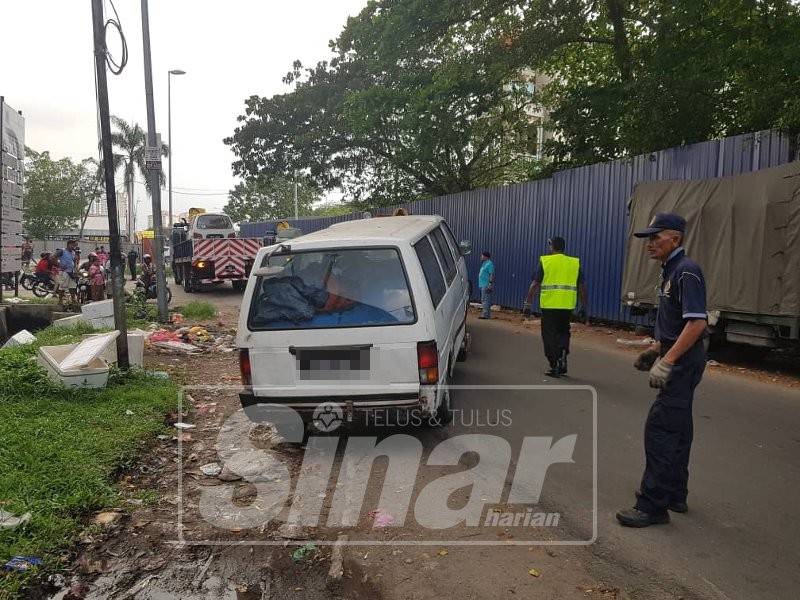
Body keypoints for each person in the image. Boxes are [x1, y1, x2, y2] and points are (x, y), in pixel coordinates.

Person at [616, 213, 708, 528]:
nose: (650, 244)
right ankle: (674, 494)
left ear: (676, 239)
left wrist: (669, 361)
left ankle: (653, 505)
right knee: (679, 427)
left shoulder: (686, 271)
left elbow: (697, 323)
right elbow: (676, 321)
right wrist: (657, 349)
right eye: (648, 239)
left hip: (683, 361)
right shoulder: (671, 270)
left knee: (660, 429)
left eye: (656, 238)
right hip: (677, 355)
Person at [525, 237, 588, 377]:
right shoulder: (574, 263)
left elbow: (534, 284)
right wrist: (584, 307)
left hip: (549, 306)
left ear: (551, 247)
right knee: (564, 331)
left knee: (549, 335)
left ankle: (555, 364)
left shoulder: (546, 261)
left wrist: (527, 304)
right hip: (567, 306)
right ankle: (563, 351)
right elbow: (582, 287)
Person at [478, 251, 495, 319]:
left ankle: (485, 315)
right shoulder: (484, 263)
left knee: (485, 300)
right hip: (483, 284)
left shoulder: (489, 264)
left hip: (486, 284)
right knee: (484, 299)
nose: (481, 257)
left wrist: (490, 284)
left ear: (485, 256)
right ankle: (487, 314)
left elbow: (491, 274)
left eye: (482, 256)